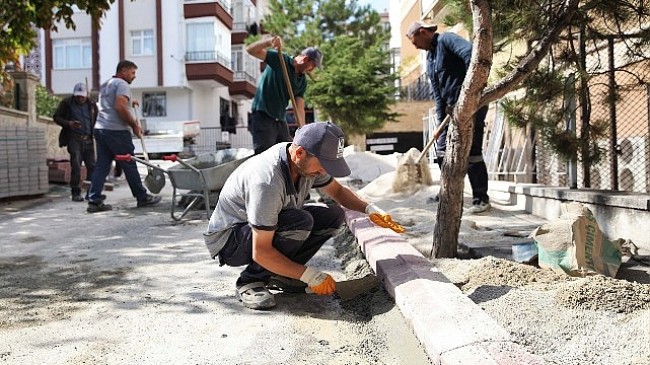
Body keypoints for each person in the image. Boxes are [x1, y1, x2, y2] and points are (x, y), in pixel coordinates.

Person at [203, 122, 390, 310]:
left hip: (261, 227)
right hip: (231, 240)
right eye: (324, 164)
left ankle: (281, 274)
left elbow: (338, 192)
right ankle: (250, 282)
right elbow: (261, 251)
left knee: (332, 215)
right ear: (299, 153)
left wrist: (370, 210)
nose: (324, 171)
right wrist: (309, 275)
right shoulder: (266, 181)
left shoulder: (306, 163)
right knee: (300, 222)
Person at [407, 21, 491, 214]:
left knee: (472, 152)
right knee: (442, 152)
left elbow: (471, 55)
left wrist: (469, 93)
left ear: (423, 32)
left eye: (415, 42)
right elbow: (438, 96)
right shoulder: (429, 59)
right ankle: (448, 194)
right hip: (450, 111)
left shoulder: (447, 40)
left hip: (472, 105)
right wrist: (439, 125)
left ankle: (481, 198)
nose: (415, 46)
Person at [86, 60, 161, 213]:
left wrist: (130, 101)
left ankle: (94, 200)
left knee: (102, 165)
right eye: (133, 72)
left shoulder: (107, 84)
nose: (134, 76)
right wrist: (134, 125)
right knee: (129, 163)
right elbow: (119, 106)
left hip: (101, 129)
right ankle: (142, 197)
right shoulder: (122, 85)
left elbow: (112, 103)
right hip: (116, 131)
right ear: (124, 70)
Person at [246, 35, 322, 154]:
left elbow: (299, 109)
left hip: (280, 121)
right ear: (305, 59)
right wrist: (268, 42)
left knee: (286, 156)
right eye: (313, 66)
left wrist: (303, 133)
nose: (312, 70)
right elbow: (250, 50)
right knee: (264, 156)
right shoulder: (280, 59)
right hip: (263, 116)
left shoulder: (302, 81)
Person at [53, 82, 99, 202]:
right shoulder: (67, 103)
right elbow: (56, 117)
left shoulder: (92, 105)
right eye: (78, 96)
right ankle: (75, 192)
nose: (80, 98)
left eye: (82, 96)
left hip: (88, 140)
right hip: (74, 139)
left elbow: (97, 119)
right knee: (76, 165)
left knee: (92, 167)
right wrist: (69, 124)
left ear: (86, 95)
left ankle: (91, 192)